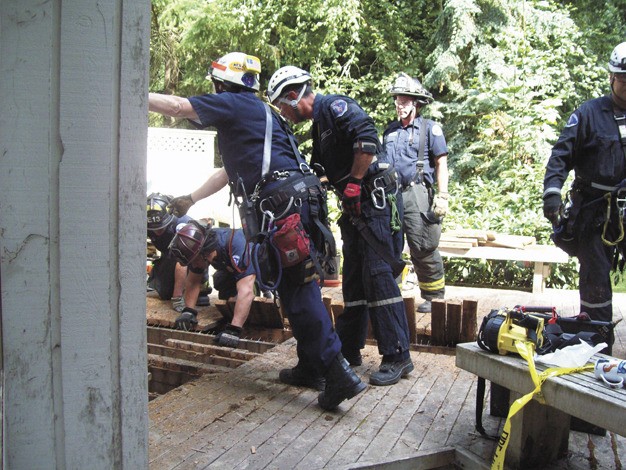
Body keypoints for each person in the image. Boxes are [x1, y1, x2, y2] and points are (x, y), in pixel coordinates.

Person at [148, 52, 365, 410]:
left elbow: (175, 106)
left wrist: (130, 92)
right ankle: (312, 367)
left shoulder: (233, 105)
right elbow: (228, 172)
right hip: (297, 204)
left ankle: (338, 373)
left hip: (282, 210)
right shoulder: (259, 114)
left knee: (300, 291)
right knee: (293, 287)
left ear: (221, 84)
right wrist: (190, 198)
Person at [267, 66, 413, 386]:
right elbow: (321, 171)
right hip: (356, 209)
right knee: (356, 282)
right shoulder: (319, 127)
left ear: (293, 97)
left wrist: (354, 183)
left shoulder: (335, 107)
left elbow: (367, 139)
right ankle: (349, 349)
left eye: (281, 105)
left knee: (377, 276)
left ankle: (398, 355)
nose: (283, 112)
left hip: (373, 201)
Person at [543, 42, 626, 323]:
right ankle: (599, 349)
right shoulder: (588, 115)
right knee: (595, 285)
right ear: (611, 77)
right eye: (623, 79)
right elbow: (560, 156)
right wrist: (552, 194)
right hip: (594, 212)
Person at [382, 73, 449, 314]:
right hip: (391, 196)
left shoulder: (430, 129)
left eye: (405, 101)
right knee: (389, 245)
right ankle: (391, 295)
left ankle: (434, 296)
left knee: (422, 245)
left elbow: (441, 162)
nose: (400, 106)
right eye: (397, 101)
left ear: (416, 103)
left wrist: (443, 195)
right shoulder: (389, 132)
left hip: (416, 192)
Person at [168, 221, 254, 347]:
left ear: (205, 253)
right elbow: (193, 281)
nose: (194, 266)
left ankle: (243, 325)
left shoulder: (237, 245)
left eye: (195, 262)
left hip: (265, 267)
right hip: (231, 267)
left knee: (245, 296)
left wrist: (234, 329)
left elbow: (246, 291)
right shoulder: (200, 250)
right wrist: (188, 311)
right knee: (221, 283)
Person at [146, 192, 208, 312]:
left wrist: (177, 297)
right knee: (164, 293)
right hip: (169, 256)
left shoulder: (182, 224)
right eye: (155, 229)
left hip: (191, 259)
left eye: (161, 227)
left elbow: (182, 262)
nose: (158, 232)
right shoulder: (146, 224)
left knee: (196, 297)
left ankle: (202, 285)